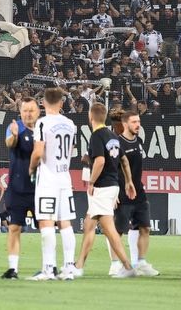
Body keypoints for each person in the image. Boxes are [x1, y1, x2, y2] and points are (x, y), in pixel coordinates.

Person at [73, 102, 137, 278]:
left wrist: (92, 182)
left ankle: (127, 267)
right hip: (112, 185)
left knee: (109, 229)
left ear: (90, 117)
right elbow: (123, 160)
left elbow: (99, 161)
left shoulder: (96, 136)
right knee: (89, 225)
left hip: (101, 187)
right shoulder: (112, 136)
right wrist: (129, 181)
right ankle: (78, 265)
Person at [27, 87, 78, 281]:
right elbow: (71, 147)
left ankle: (48, 269)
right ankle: (68, 269)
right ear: (62, 103)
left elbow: (38, 152)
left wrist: (31, 168)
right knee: (66, 224)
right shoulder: (70, 123)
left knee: (46, 223)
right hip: (65, 178)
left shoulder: (42, 123)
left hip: (47, 180)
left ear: (43, 103)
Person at [114, 110, 159, 276]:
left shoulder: (139, 141)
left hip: (139, 193)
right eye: (134, 122)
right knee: (117, 231)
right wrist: (114, 194)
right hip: (122, 194)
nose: (138, 124)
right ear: (125, 124)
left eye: (138, 121)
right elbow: (110, 169)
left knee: (145, 227)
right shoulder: (117, 143)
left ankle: (141, 263)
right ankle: (119, 265)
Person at [2, 96, 39, 279]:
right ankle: (13, 269)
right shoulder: (15, 127)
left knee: (47, 228)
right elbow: (9, 142)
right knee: (14, 227)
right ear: (20, 112)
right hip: (17, 188)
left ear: (38, 112)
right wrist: (15, 135)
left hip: (40, 188)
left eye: (31, 110)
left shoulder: (43, 130)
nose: (28, 114)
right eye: (25, 110)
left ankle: (49, 266)